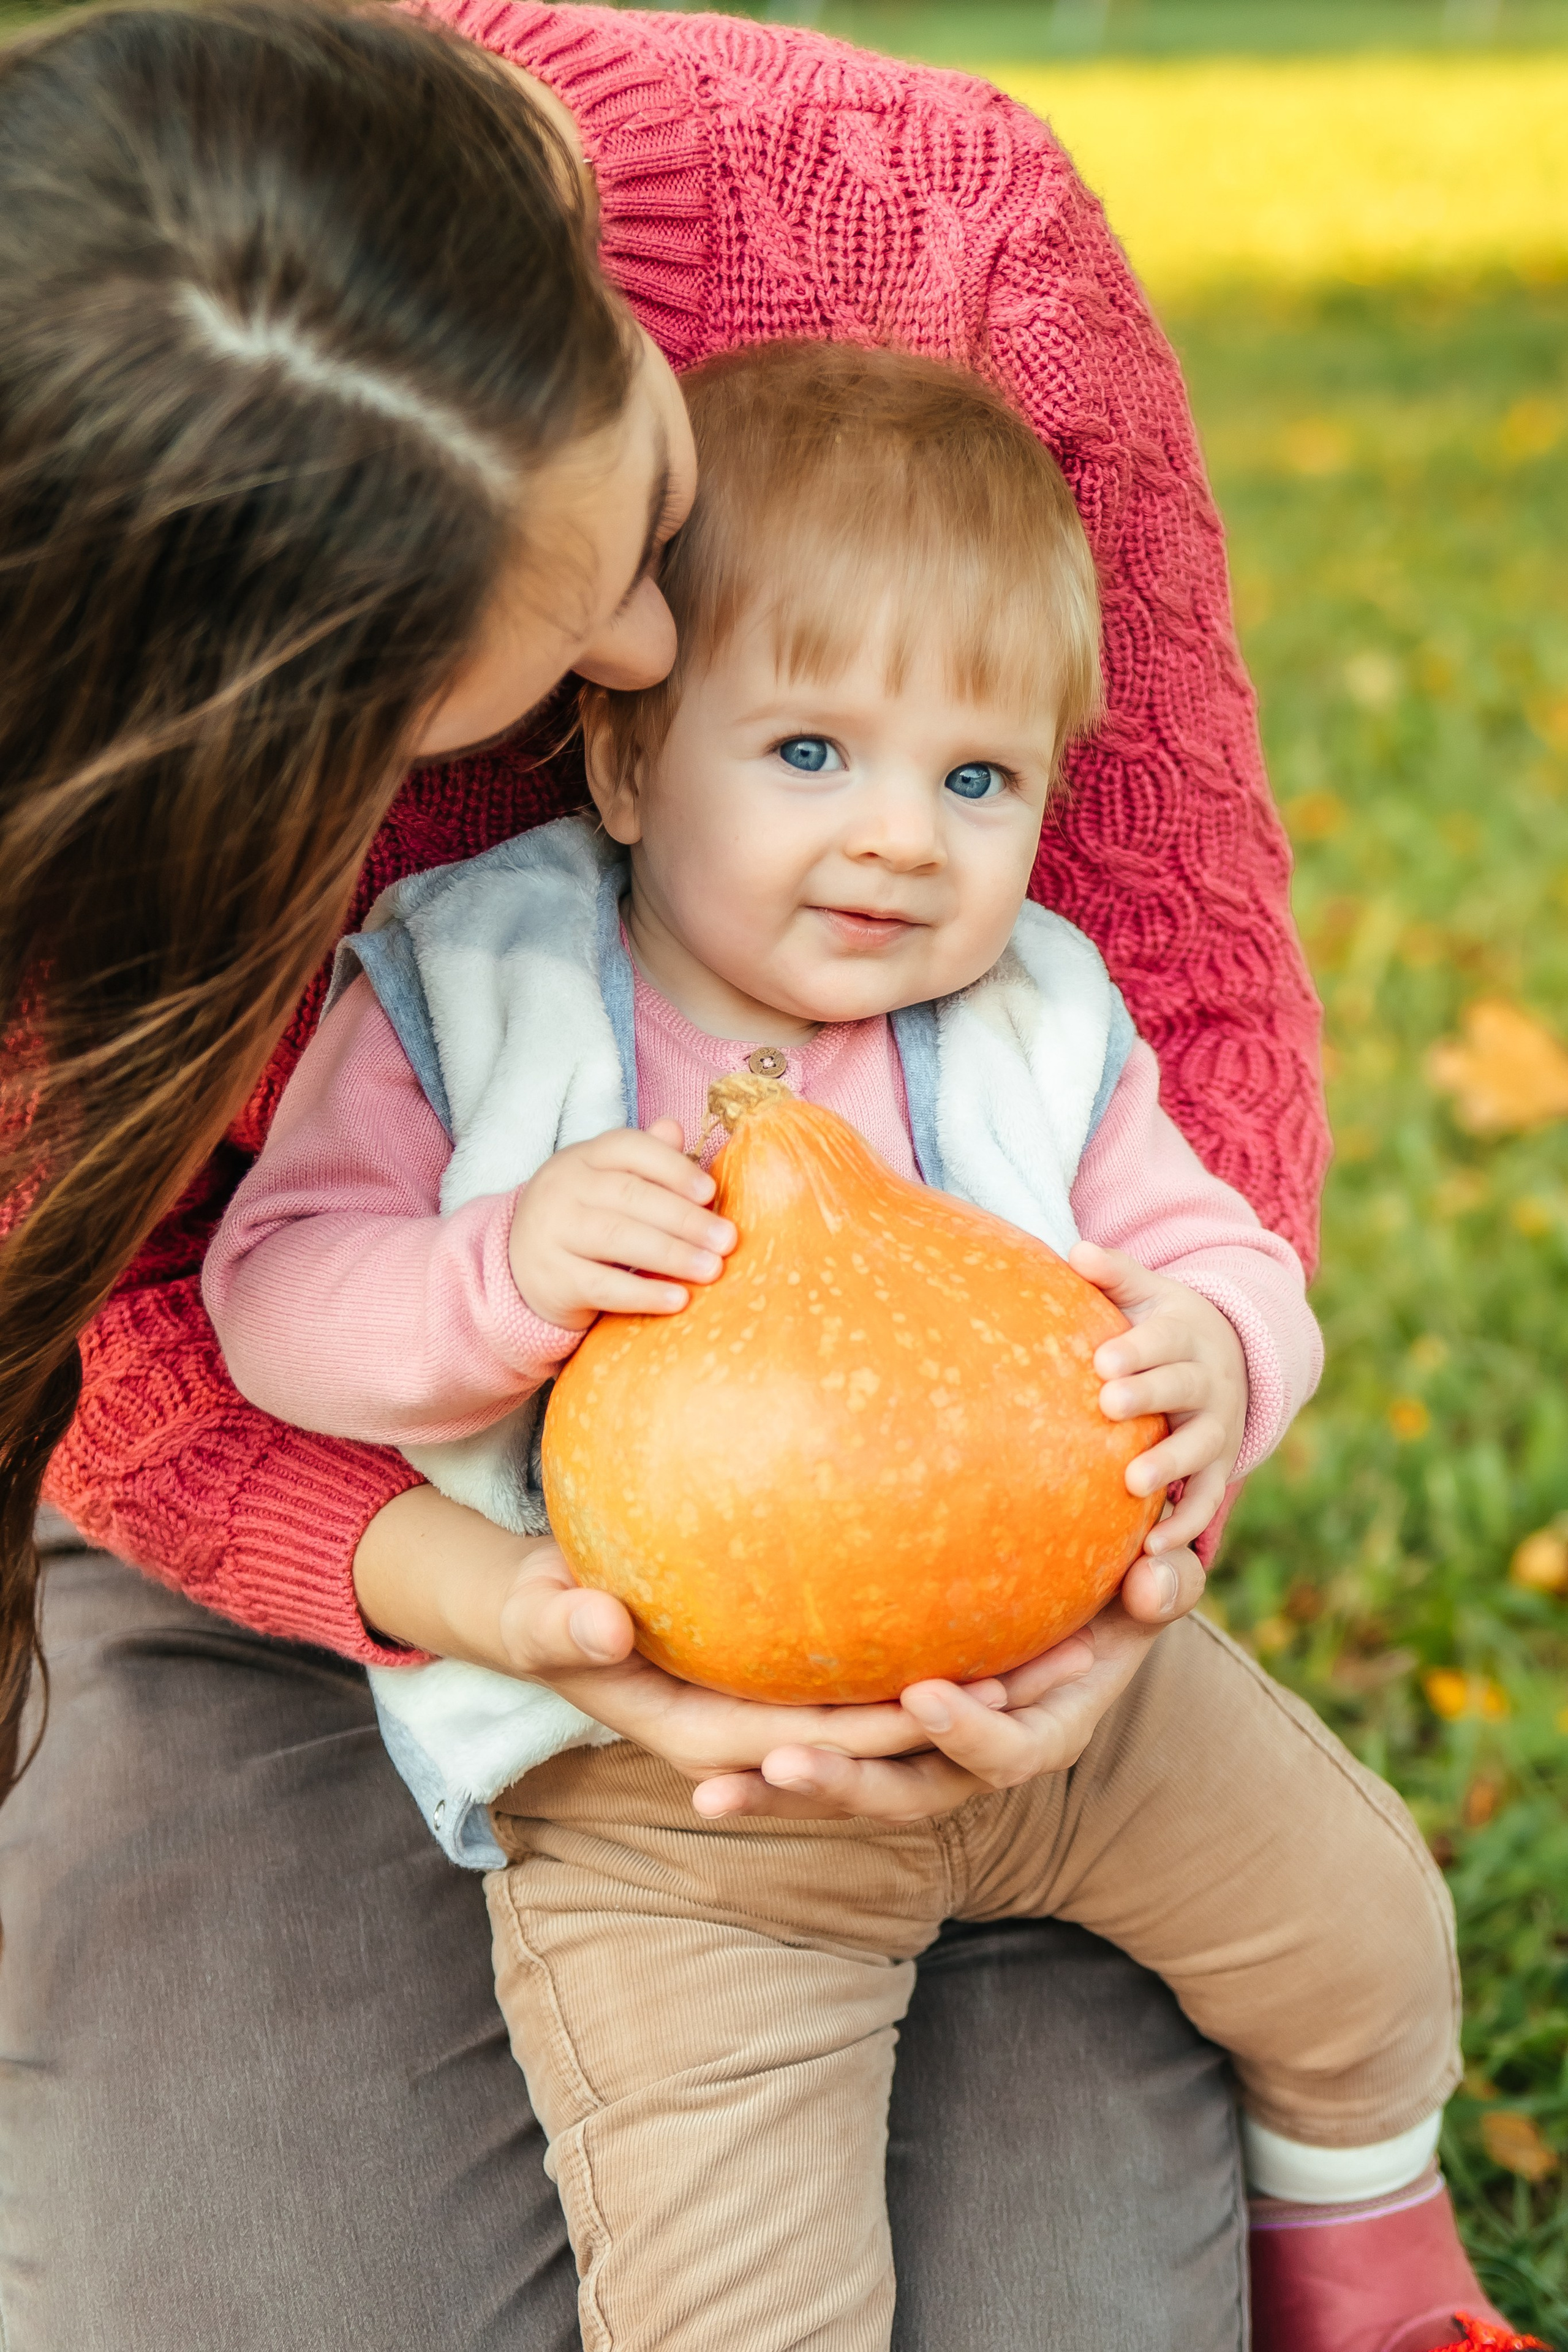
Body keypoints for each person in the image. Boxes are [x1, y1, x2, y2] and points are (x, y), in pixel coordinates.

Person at [0, 2, 1457, 2346]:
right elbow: (215, 1300)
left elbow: (1179, 1044)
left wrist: (1174, 1448)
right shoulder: (460, 983)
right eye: (549, 654)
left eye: (648, 529)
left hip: (986, 1620)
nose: (649, 650)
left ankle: (1368, 2251)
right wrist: (513, 1566)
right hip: (483, 1617)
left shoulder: (947, 251)